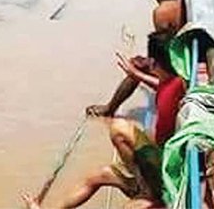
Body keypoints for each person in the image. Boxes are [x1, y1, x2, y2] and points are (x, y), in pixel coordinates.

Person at [22, 34, 187, 208]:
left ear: (153, 63)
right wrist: (137, 72)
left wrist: (136, 73)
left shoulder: (177, 86)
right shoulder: (170, 82)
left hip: (166, 170)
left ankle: (147, 189)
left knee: (119, 130)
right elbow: (160, 84)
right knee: (100, 175)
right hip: (159, 159)